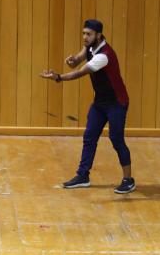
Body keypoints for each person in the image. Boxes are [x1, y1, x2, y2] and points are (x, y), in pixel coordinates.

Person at [40, 19, 135, 194]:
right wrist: (73, 59)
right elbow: (79, 59)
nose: (85, 37)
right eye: (84, 33)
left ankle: (128, 179)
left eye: (88, 34)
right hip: (100, 102)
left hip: (117, 103)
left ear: (98, 35)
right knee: (89, 136)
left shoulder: (103, 56)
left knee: (116, 139)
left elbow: (80, 73)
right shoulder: (91, 47)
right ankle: (83, 176)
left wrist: (58, 77)